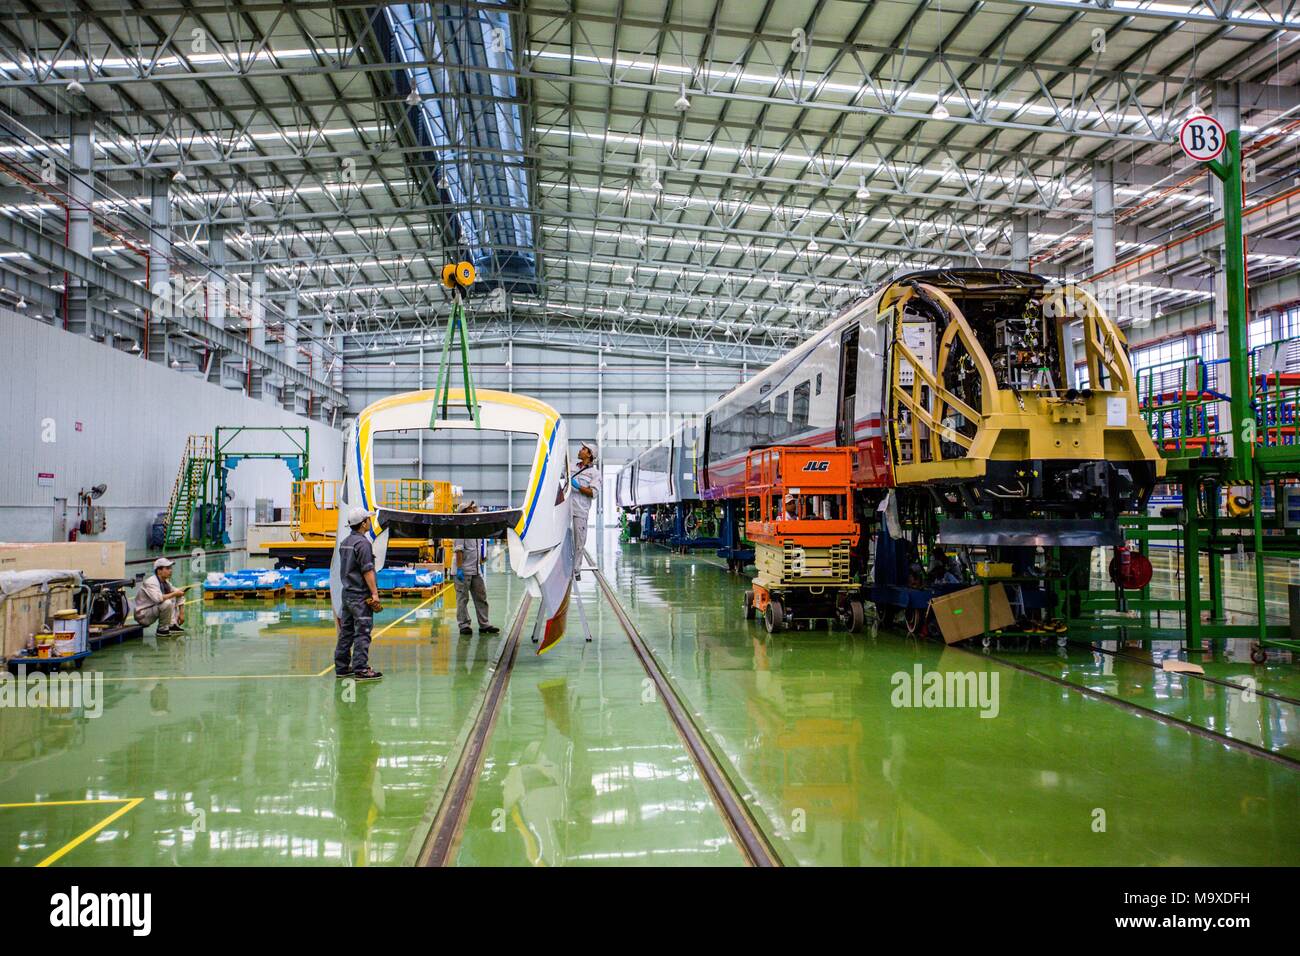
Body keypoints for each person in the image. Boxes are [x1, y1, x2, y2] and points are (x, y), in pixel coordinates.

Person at [334, 506, 384, 682]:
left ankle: (341, 667)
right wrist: (374, 594)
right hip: (360, 597)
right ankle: (361, 669)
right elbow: (367, 571)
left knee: (346, 632)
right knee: (362, 631)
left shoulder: (345, 542)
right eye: (368, 520)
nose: (370, 522)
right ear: (363, 523)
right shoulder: (363, 544)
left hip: (347, 595)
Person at [453, 502, 499, 636]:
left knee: (481, 597)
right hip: (464, 571)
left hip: (476, 570)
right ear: (463, 513)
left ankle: (484, 624)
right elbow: (459, 551)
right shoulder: (460, 529)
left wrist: (480, 563)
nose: (474, 510)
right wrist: (460, 569)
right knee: (462, 599)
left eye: (474, 508)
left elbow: (478, 549)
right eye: (470, 509)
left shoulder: (476, 528)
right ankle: (464, 625)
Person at [133, 557, 189, 635]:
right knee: (167, 602)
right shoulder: (151, 582)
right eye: (167, 568)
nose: (171, 570)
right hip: (143, 615)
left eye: (171, 568)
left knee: (172, 596)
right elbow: (158, 599)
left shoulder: (165, 582)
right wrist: (175, 594)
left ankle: (172, 625)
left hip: (152, 610)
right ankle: (162, 629)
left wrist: (182, 613)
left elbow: (178, 593)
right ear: (159, 571)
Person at [570, 444, 602, 579]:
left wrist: (578, 486)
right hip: (565, 509)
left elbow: (593, 493)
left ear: (589, 455)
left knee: (579, 542)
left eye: (584, 449)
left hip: (580, 510)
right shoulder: (571, 466)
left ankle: (576, 571)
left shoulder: (595, 473)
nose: (580, 450)